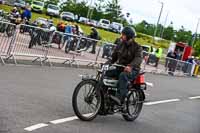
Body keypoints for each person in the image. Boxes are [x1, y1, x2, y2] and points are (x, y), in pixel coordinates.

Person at [107, 27, 143, 107]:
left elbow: (138, 58)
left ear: (129, 36)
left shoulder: (137, 47)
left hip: (133, 70)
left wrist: (130, 66)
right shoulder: (120, 44)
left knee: (123, 76)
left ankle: (120, 98)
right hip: (120, 68)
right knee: (106, 73)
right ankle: (102, 94)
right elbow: (114, 57)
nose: (121, 36)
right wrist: (107, 63)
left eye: (123, 35)